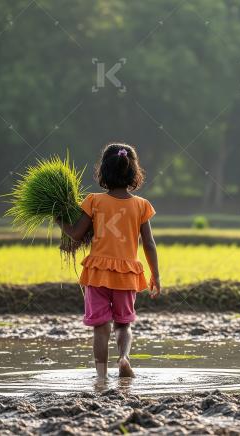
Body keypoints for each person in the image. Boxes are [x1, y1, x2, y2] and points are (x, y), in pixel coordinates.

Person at [58, 143, 161, 379]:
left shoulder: (93, 201)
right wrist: (156, 275)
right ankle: (124, 358)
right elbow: (149, 243)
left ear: (103, 171)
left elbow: (76, 234)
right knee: (123, 325)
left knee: (100, 327)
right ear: (134, 172)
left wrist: (58, 218)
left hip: (98, 273)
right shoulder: (141, 205)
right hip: (127, 274)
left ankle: (101, 376)